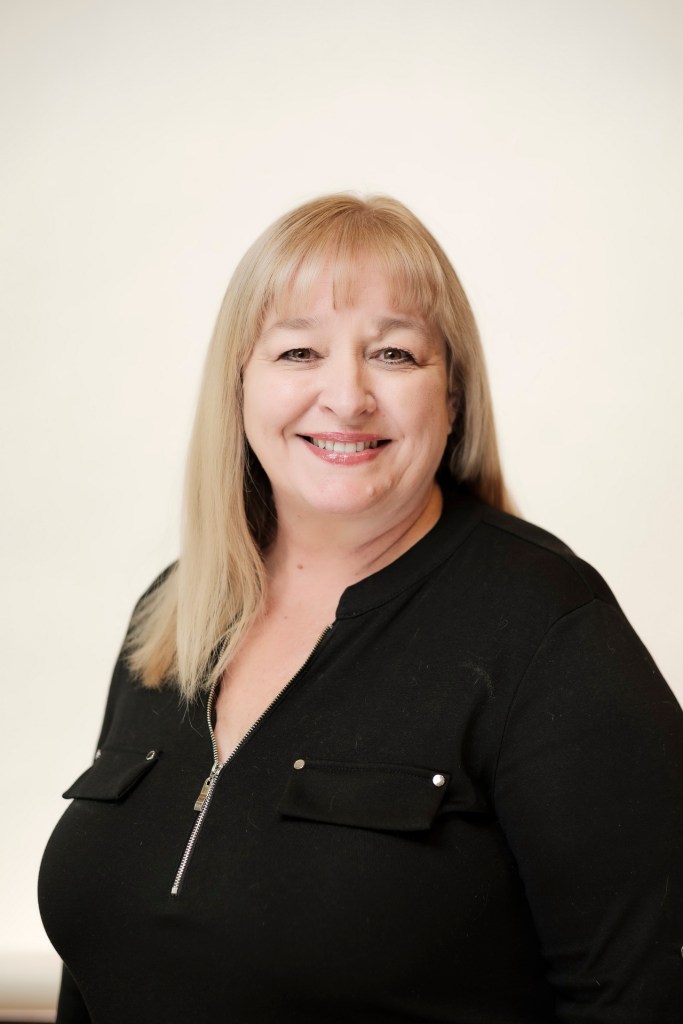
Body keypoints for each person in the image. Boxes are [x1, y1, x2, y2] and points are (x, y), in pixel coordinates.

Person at [39, 194, 683, 1023]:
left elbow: (644, 997)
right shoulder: (172, 613)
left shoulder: (545, 623)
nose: (346, 397)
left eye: (392, 353)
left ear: (450, 398)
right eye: (299, 351)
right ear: (239, 388)